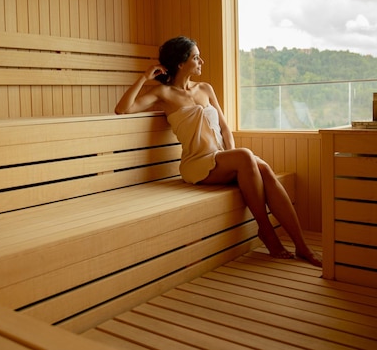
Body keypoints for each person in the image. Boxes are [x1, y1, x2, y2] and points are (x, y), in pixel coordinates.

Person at [115, 36, 322, 267]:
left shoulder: (205, 88)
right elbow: (122, 109)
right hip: (197, 164)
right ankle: (267, 231)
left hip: (221, 159)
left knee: (262, 168)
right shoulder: (163, 94)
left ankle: (302, 245)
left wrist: (235, 160)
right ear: (181, 63)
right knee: (247, 158)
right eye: (196, 57)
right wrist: (144, 77)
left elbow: (224, 127)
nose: (201, 61)